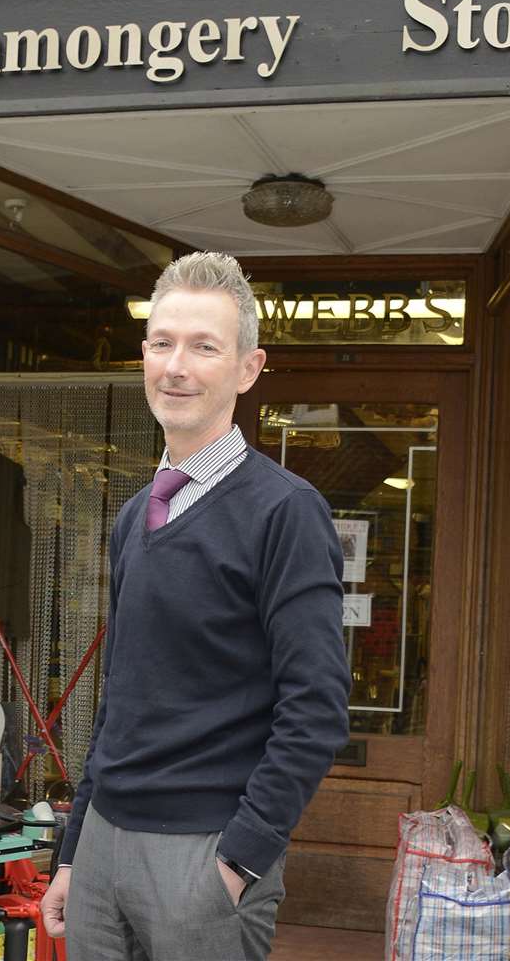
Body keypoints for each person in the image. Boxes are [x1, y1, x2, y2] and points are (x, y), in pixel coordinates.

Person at [40, 251, 351, 961]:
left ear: (246, 368)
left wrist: (236, 863)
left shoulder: (285, 512)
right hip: (102, 854)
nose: (176, 365)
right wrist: (72, 850)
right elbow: (120, 697)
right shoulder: (134, 516)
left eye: (203, 347)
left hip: (200, 858)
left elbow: (316, 707)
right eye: (161, 343)